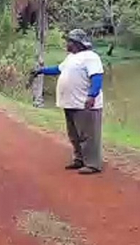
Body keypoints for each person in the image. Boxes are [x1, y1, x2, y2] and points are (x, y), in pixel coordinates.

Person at [31, 29, 104, 175]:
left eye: (69, 41)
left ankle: (93, 164)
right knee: (74, 134)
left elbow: (97, 77)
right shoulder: (71, 57)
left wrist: (92, 95)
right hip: (70, 103)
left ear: (77, 43)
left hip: (85, 103)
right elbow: (58, 69)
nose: (67, 44)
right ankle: (79, 159)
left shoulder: (90, 57)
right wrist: (41, 71)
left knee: (88, 135)